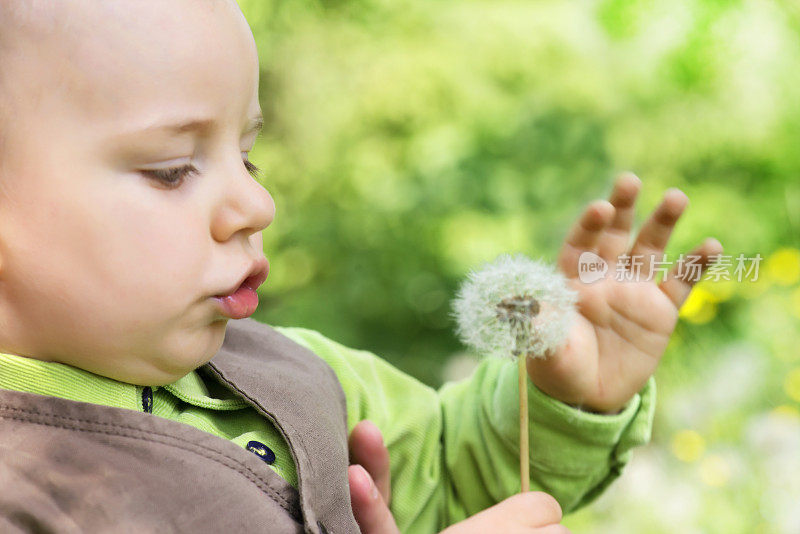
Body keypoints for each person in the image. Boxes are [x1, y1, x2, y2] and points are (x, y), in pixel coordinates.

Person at [0, 1, 723, 532]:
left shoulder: (300, 377)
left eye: (247, 157)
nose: (256, 202)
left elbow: (445, 471)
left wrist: (562, 401)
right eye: (170, 170)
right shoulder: (25, 488)